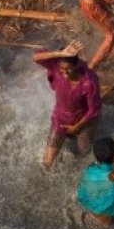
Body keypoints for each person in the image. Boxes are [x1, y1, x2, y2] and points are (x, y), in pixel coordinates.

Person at [33, 40, 102, 168]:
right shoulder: (55, 68)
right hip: (61, 118)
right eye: (62, 69)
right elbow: (36, 57)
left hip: (83, 121)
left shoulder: (88, 82)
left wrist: (77, 127)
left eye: (68, 69)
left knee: (84, 152)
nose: (64, 73)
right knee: (47, 162)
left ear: (76, 66)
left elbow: (94, 109)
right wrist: (59, 53)